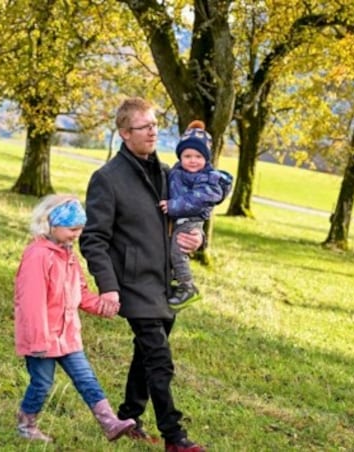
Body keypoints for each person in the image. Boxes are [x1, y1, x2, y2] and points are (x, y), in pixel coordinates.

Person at [79, 98, 207, 452]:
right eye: (143, 126)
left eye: (154, 124)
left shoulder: (169, 174)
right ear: (124, 133)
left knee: (146, 355)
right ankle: (174, 437)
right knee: (160, 360)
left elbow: (184, 218)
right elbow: (94, 239)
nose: (153, 131)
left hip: (163, 283)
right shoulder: (107, 179)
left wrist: (196, 238)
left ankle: (129, 417)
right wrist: (109, 288)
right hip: (132, 285)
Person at [13, 195, 136, 443]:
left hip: (67, 334)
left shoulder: (67, 255)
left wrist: (102, 306)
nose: (76, 235)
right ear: (52, 225)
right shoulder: (38, 256)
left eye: (80, 229)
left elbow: (80, 293)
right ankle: (26, 424)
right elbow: (31, 302)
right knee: (42, 383)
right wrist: (39, 340)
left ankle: (109, 422)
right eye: (72, 229)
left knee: (86, 378)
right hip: (43, 338)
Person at [159, 120, 233, 309]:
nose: (193, 160)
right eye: (187, 155)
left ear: (206, 159)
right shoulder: (178, 170)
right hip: (180, 219)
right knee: (171, 250)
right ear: (180, 156)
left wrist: (173, 205)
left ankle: (187, 286)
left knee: (177, 250)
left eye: (198, 156)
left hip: (190, 221)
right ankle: (176, 279)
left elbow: (197, 199)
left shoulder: (207, 178)